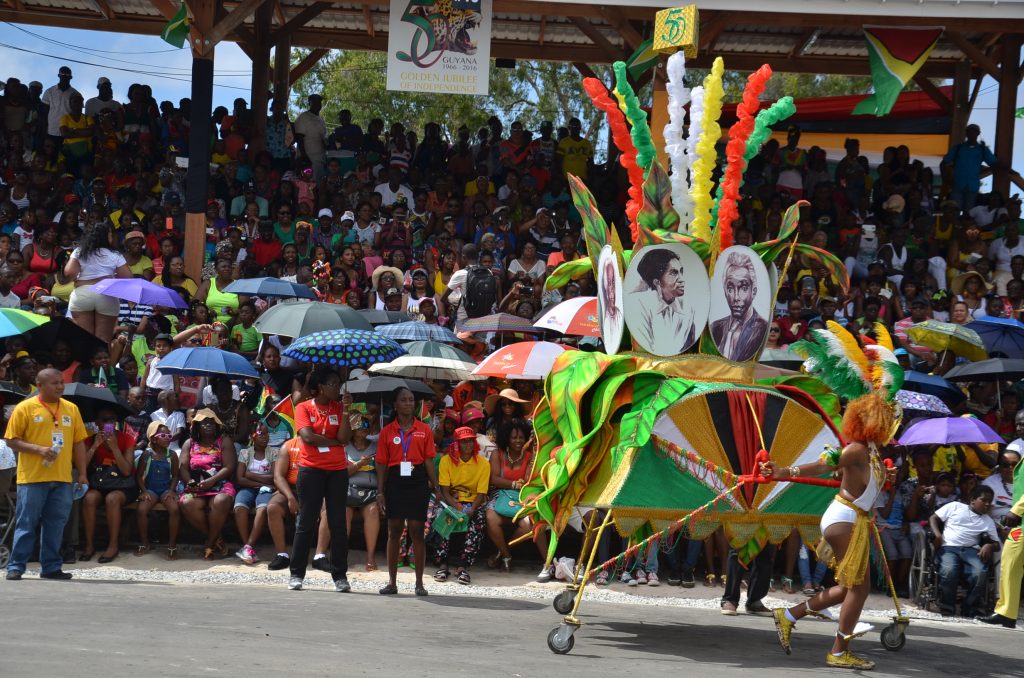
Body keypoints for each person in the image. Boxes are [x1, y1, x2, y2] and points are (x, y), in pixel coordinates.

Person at [766, 325, 901, 670]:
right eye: (887, 415)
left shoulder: (869, 450)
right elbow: (826, 464)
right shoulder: (856, 449)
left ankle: (790, 615)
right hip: (844, 519)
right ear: (872, 420)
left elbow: (870, 491)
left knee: (848, 587)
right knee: (858, 588)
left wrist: (890, 479)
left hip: (854, 519)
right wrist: (785, 472)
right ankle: (838, 652)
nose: (892, 419)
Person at [5, 368, 89, 581]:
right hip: (32, 477)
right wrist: (39, 449)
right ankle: (16, 566)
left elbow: (78, 443)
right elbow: (11, 440)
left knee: (56, 523)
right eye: (54, 383)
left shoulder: (71, 409)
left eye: (61, 382)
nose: (60, 386)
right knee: (26, 523)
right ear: (40, 385)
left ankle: (51, 567)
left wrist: (82, 474)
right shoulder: (25, 408)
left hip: (62, 478)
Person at [288, 368, 353, 592]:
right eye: (334, 384)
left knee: (338, 524)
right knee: (305, 522)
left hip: (337, 471)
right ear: (322, 387)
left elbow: (345, 438)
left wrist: (346, 413)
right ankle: (296, 574)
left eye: (339, 384)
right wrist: (333, 442)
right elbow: (307, 437)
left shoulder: (340, 407)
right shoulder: (303, 407)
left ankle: (340, 576)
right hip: (311, 470)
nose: (338, 388)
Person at [376, 386, 438, 596]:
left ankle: (419, 583)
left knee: (416, 530)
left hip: (417, 479)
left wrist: (436, 487)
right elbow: (382, 464)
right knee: (393, 530)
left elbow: (429, 460)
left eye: (411, 400)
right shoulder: (387, 431)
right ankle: (392, 582)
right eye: (404, 400)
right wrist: (380, 491)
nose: (409, 403)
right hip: (395, 481)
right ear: (395, 404)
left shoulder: (424, 429)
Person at [930, 485, 1000, 618]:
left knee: (980, 573)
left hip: (971, 550)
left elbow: (997, 544)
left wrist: (989, 546)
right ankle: (947, 607)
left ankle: (969, 608)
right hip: (949, 547)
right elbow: (933, 518)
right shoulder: (955, 506)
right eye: (983, 500)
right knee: (949, 570)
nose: (987, 504)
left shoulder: (988, 521)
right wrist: (938, 535)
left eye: (989, 502)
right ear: (973, 500)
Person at [79, 408, 139, 563]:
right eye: (104, 420)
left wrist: (114, 448)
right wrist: (95, 446)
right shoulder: (90, 439)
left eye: (112, 420)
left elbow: (126, 471)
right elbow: (82, 466)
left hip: (123, 485)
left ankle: (113, 545)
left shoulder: (126, 439)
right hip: (101, 482)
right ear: (97, 423)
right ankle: (89, 545)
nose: (109, 424)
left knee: (112, 499)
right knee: (89, 499)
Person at [178, 409, 237, 561]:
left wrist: (212, 480)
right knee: (186, 502)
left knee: (221, 501)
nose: (208, 425)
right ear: (197, 426)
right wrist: (189, 481)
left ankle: (210, 544)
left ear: (217, 425)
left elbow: (229, 467)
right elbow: (183, 467)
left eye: (211, 422)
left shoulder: (224, 441)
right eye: (204, 423)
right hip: (196, 485)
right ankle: (217, 538)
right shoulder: (189, 443)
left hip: (219, 483)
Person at [64, 223, 132, 342]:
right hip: (106, 295)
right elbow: (128, 278)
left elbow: (69, 273)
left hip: (82, 294)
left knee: (85, 339)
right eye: (110, 234)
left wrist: (78, 279)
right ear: (106, 236)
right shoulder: (115, 254)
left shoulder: (79, 251)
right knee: (104, 340)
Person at [978, 451, 1024, 628]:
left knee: (1010, 564)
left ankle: (1006, 612)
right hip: (1019, 525)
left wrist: (1016, 510)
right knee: (1009, 565)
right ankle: (1006, 612)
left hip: (1020, 519)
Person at [629, 247, 697, 356]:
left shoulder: (688, 309)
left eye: (681, 272)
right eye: (674, 273)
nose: (682, 279)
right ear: (657, 282)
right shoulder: (639, 305)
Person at [710, 250, 769, 361]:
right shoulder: (715, 327)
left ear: (754, 291)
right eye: (730, 288)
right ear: (724, 291)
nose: (736, 297)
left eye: (743, 287)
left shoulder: (761, 329)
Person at [134, 422, 180, 560]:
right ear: (153, 438)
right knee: (141, 510)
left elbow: (176, 475)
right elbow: (139, 475)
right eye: (163, 435)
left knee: (175, 509)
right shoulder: (147, 455)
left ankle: (172, 544)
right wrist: (144, 491)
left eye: (169, 435)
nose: (167, 438)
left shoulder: (171, 455)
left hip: (166, 489)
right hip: (151, 489)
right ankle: (145, 542)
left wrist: (172, 490)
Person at [233, 423, 278, 565]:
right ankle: (248, 546)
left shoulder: (274, 453)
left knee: (263, 508)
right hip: (250, 488)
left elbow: (274, 477)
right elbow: (240, 478)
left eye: (267, 434)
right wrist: (261, 483)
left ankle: (248, 547)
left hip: (266, 489)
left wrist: (250, 474)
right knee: (239, 506)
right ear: (252, 436)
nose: (265, 437)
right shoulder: (245, 453)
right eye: (261, 434)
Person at [345, 411, 381, 571]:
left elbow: (382, 474)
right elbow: (344, 473)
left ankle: (370, 558)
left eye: (366, 424)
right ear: (352, 429)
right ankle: (341, 555)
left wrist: (381, 492)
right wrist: (359, 464)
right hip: (349, 490)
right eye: (360, 425)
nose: (364, 428)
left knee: (373, 511)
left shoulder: (376, 446)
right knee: (344, 513)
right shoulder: (345, 448)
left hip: (370, 492)